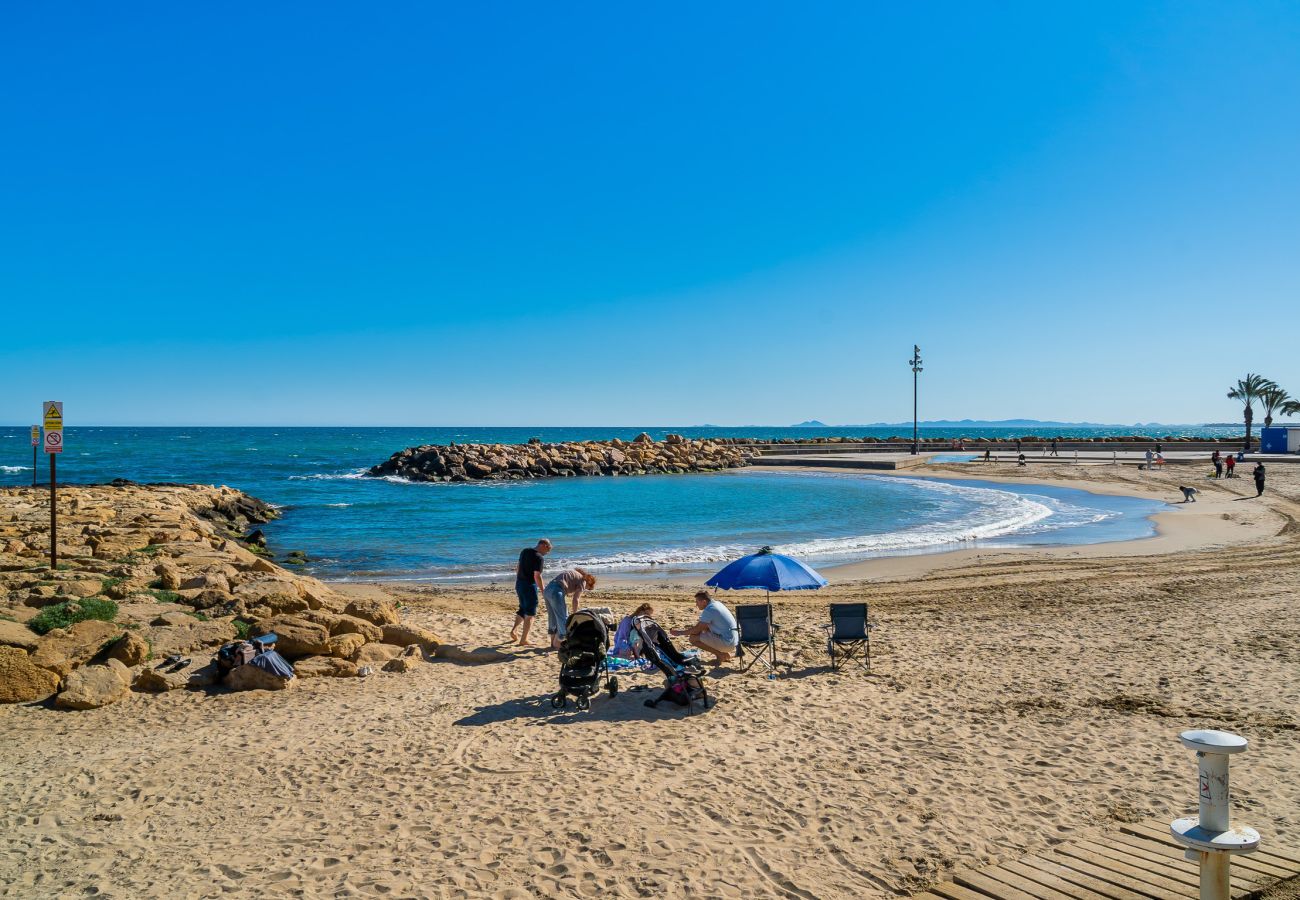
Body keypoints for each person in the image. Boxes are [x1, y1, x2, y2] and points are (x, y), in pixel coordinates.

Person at [671, 590, 738, 665]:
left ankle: (720, 654)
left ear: (704, 602)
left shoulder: (710, 609)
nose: (696, 605)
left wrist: (679, 633)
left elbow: (697, 630)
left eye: (697, 602)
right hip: (734, 641)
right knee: (703, 631)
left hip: (727, 643)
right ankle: (724, 653)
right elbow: (703, 628)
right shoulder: (717, 604)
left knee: (693, 638)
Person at [510, 538, 551, 646]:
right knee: (531, 613)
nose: (546, 554)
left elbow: (518, 568)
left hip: (519, 583)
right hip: (529, 585)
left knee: (523, 609)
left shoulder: (525, 551)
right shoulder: (539, 557)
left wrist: (518, 580)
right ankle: (524, 639)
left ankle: (514, 630)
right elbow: (537, 576)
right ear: (544, 546)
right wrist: (543, 590)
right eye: (547, 551)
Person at [543, 567, 597, 649]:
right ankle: (558, 643)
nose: (585, 589)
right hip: (556, 591)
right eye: (588, 589)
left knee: (552, 617)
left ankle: (552, 643)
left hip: (547, 589)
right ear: (589, 583)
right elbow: (576, 599)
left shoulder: (575, 574)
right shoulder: (583, 581)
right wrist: (575, 614)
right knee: (563, 619)